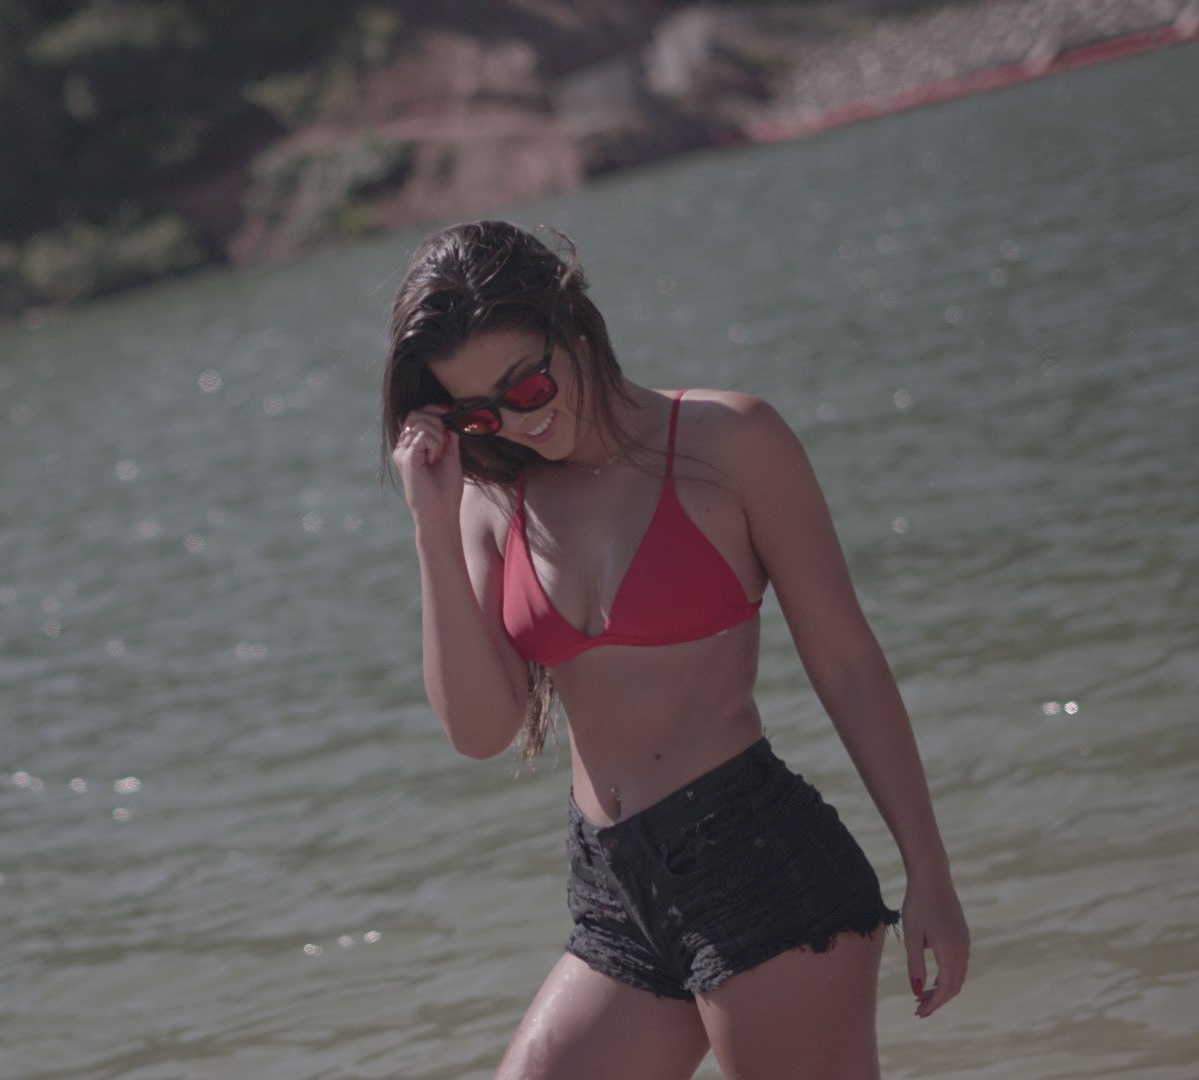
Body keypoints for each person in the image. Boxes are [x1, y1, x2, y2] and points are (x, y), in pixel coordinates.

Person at [383, 221, 968, 1079]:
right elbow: (479, 731)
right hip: (612, 894)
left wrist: (929, 873)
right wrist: (431, 525)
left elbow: (844, 660)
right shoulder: (488, 499)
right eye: (481, 410)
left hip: (758, 869)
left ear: (573, 320)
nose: (518, 420)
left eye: (530, 383)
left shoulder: (727, 442)